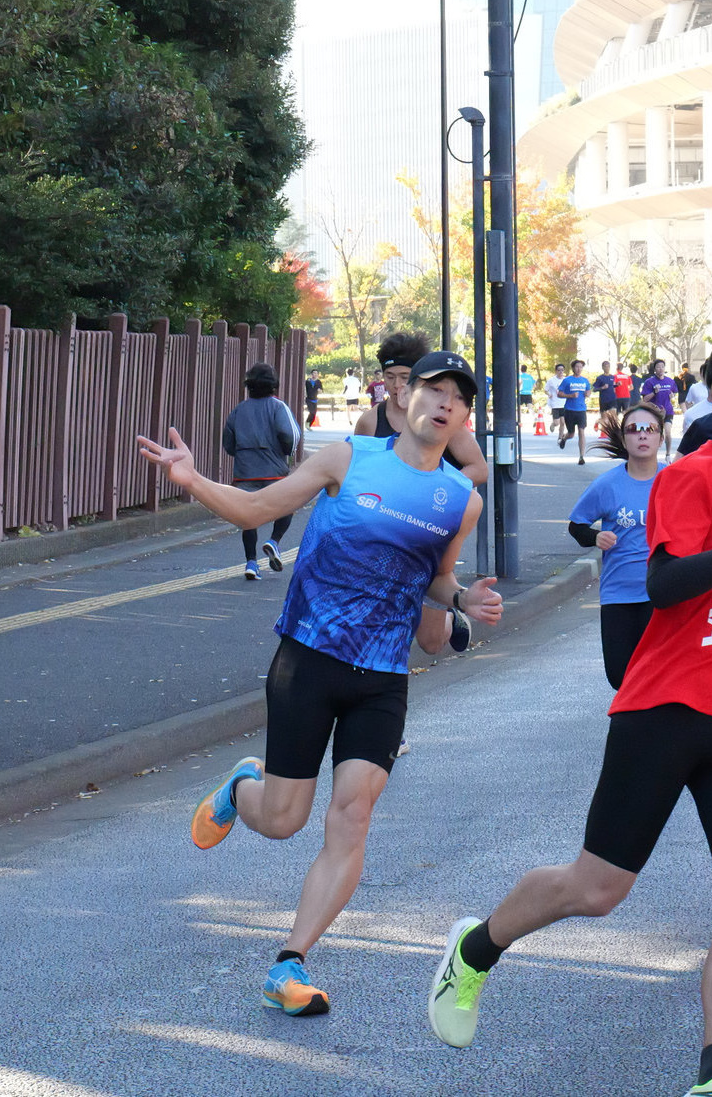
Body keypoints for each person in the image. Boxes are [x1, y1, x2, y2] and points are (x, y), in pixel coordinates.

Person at [427, 325, 712, 1097]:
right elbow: (664, 583)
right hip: (664, 709)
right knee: (596, 888)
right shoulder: (692, 474)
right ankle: (474, 949)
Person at [140, 353, 503, 1018]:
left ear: (464, 418)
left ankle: (289, 962)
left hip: (382, 678)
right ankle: (241, 787)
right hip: (308, 660)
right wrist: (191, 479)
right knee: (284, 820)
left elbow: (437, 577)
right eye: (434, 389)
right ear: (406, 397)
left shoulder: (461, 499)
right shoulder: (348, 458)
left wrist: (462, 599)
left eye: (458, 396)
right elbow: (256, 507)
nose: (444, 403)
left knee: (353, 815)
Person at [357, 331, 487, 654]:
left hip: (427, 530)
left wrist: (436, 490)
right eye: (389, 377)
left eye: (404, 376)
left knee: (430, 643)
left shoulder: (443, 419)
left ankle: (452, 618)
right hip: (383, 534)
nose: (396, 385)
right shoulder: (370, 422)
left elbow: (479, 469)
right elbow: (357, 475)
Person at [568, 402, 663, 689]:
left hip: (661, 592)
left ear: (661, 437)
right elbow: (576, 526)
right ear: (624, 438)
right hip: (618, 593)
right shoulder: (607, 485)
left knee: (656, 675)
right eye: (634, 429)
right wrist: (595, 537)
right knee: (619, 676)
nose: (642, 435)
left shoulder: (674, 480)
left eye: (650, 429)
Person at [221, 363, 300, 581]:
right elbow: (291, 435)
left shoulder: (238, 410)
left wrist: (242, 453)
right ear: (273, 385)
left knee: (249, 517)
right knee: (288, 505)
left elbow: (228, 443)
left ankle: (251, 563)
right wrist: (286, 452)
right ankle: (274, 541)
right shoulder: (278, 407)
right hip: (274, 472)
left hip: (245, 473)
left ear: (249, 385)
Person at [640, 359, 678, 461]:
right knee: (654, 434)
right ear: (654, 369)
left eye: (662, 366)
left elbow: (674, 393)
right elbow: (645, 399)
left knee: (668, 432)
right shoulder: (649, 382)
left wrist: (672, 396)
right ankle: (651, 454)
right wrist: (654, 392)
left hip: (668, 411)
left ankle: (668, 454)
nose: (660, 369)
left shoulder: (670, 381)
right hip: (654, 413)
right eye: (658, 367)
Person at [557, 359, 593, 464]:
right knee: (571, 434)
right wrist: (571, 395)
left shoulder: (585, 380)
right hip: (570, 410)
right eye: (577, 367)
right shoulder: (567, 380)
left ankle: (581, 456)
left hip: (581, 410)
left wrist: (588, 393)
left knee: (581, 431)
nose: (579, 369)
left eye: (581, 367)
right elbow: (559, 394)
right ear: (573, 368)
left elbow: (588, 390)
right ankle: (564, 438)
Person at [545, 363, 566, 436]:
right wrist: (549, 394)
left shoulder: (566, 380)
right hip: (555, 403)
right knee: (557, 422)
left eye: (562, 370)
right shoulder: (551, 380)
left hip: (564, 403)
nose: (560, 372)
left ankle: (560, 437)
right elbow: (545, 390)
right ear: (556, 371)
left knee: (563, 422)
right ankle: (553, 424)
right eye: (559, 370)